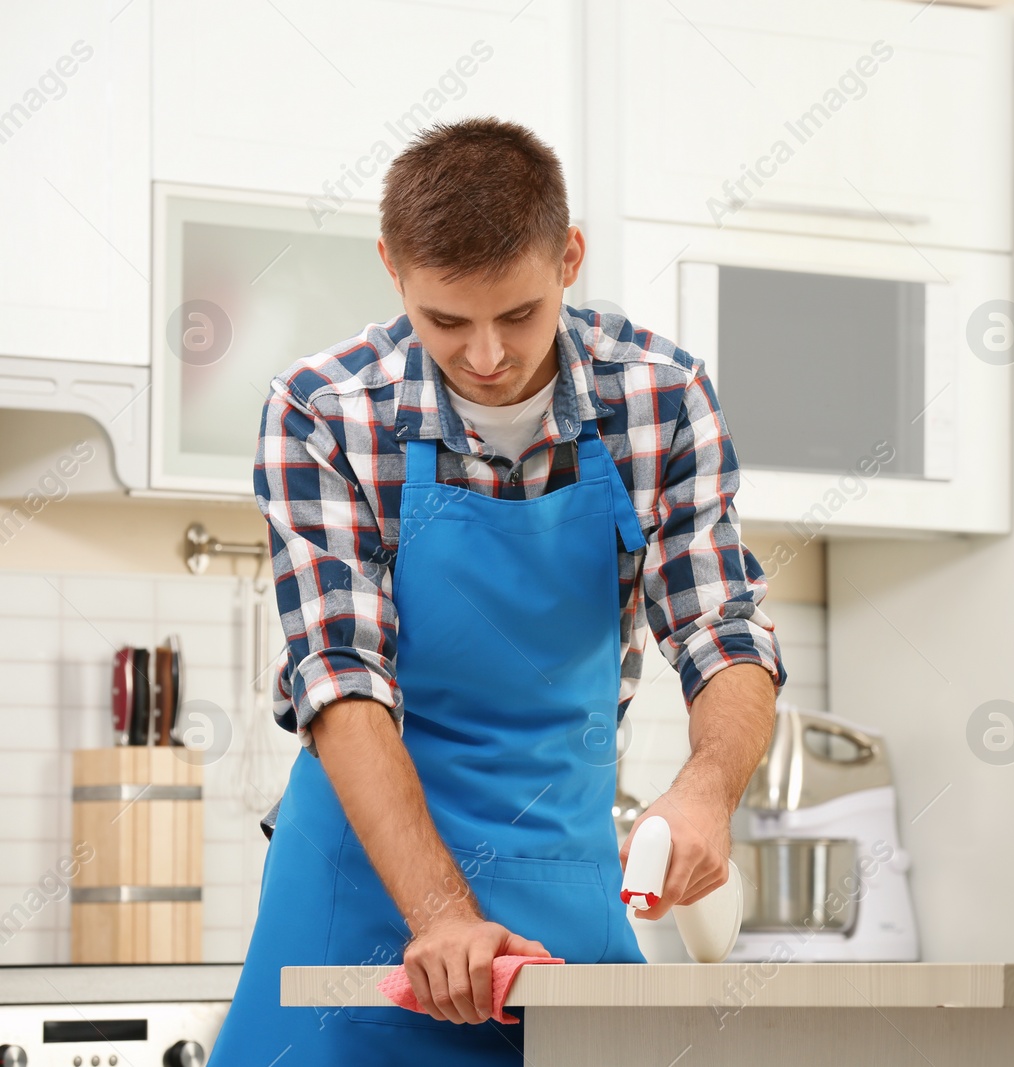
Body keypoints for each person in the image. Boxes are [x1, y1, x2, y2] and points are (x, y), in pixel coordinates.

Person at [211, 116, 784, 1064]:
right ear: (394, 269)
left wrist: (706, 788)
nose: (485, 354)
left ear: (569, 259)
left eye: (518, 314)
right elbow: (340, 679)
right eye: (447, 321)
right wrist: (438, 912)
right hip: (366, 902)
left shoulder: (661, 395)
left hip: (562, 881)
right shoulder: (325, 412)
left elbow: (721, 626)